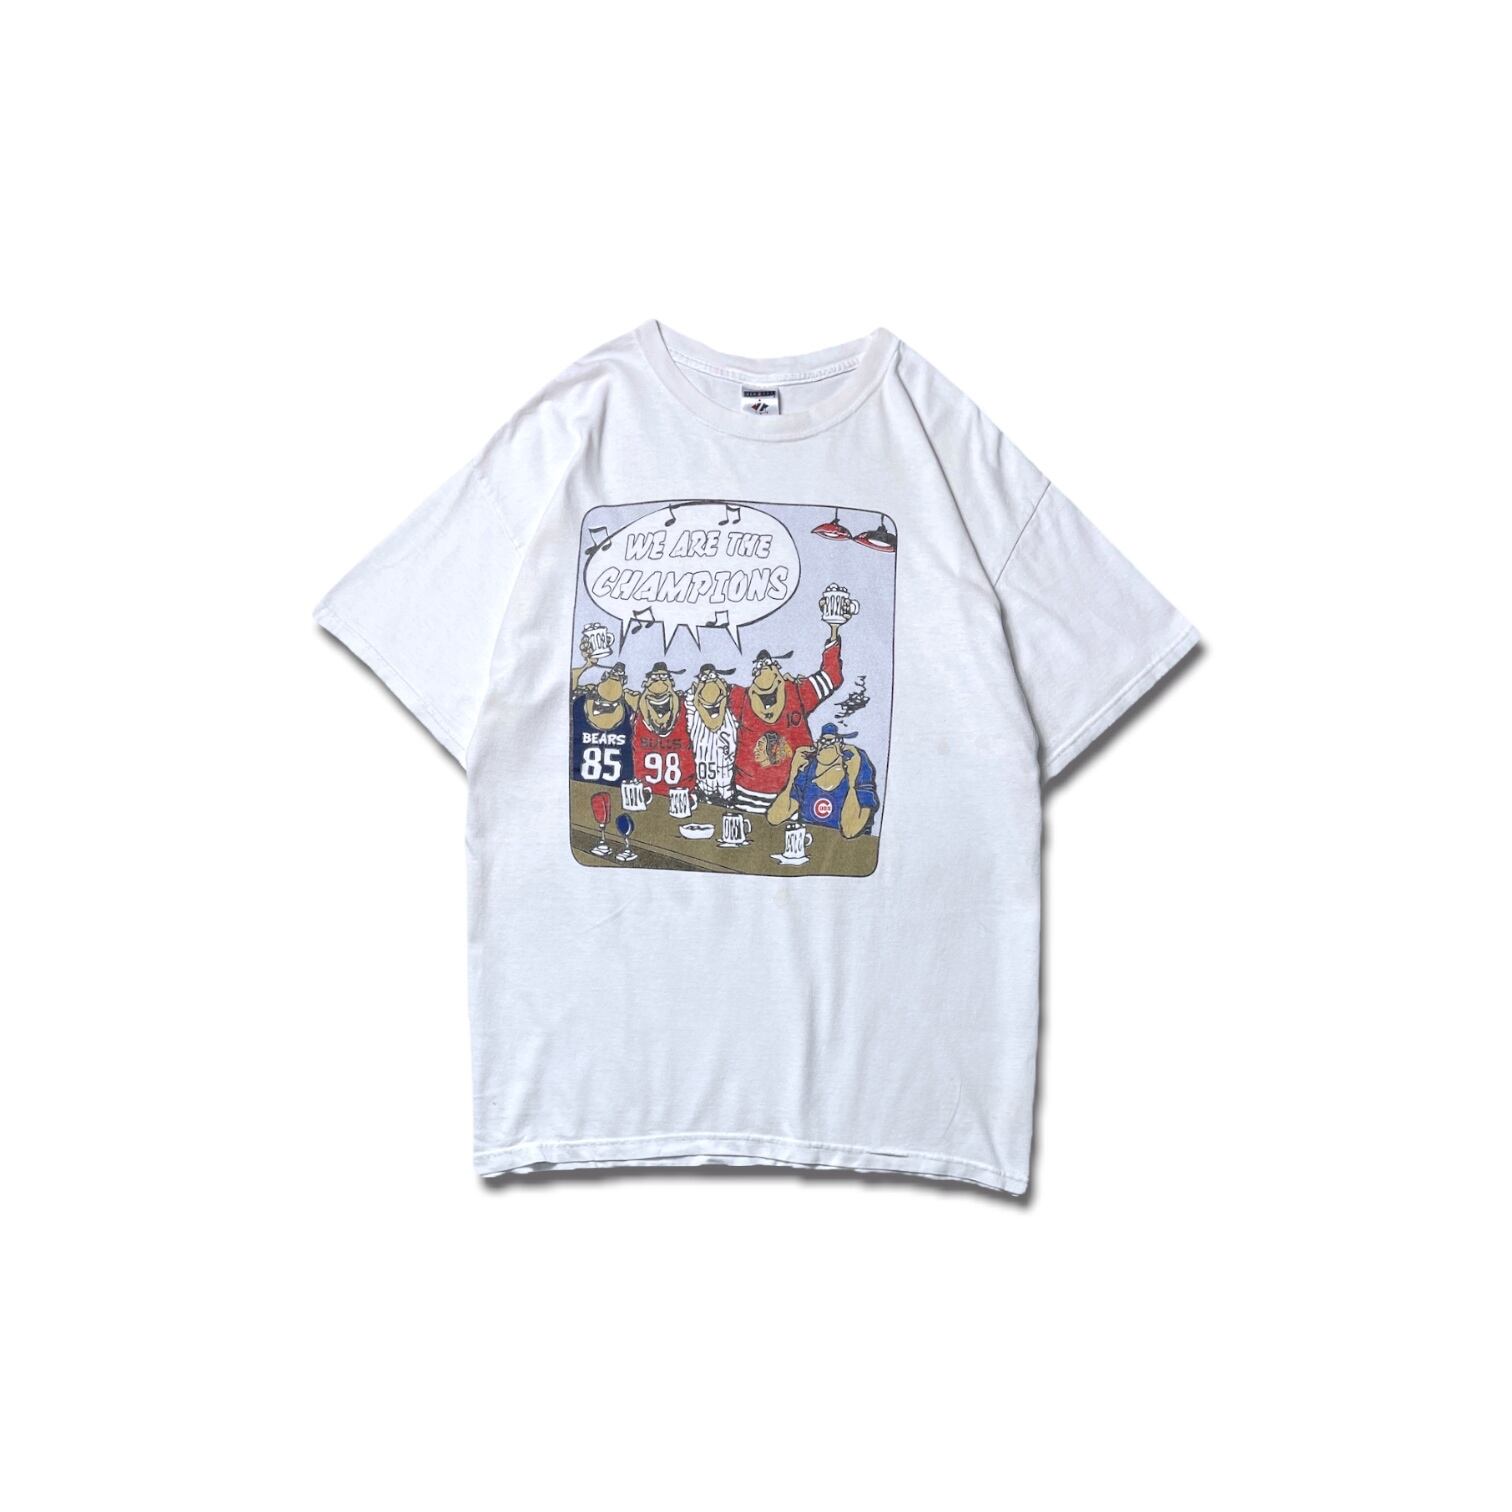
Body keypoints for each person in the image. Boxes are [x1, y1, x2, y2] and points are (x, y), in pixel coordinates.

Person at [728, 601, 850, 812]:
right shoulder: (741, 698)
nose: (764, 670)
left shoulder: (797, 692)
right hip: (748, 793)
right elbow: (711, 696)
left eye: (769, 665)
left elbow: (831, 676)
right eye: (760, 667)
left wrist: (834, 629)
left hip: (792, 795)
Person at [767, 723, 879, 838]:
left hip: (842, 846)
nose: (826, 746)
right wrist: (793, 774)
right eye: (823, 742)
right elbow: (774, 817)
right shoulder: (809, 768)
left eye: (832, 742)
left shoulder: (857, 765)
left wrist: (852, 782)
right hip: (809, 842)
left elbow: (850, 831)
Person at [569, 634, 634, 783]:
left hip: (618, 784)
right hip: (579, 782)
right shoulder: (583, 697)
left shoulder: (628, 703)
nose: (615, 676)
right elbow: (569, 685)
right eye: (613, 674)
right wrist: (586, 666)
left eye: (619, 676)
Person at [628, 661, 694, 796]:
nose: (659, 684)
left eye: (664, 678)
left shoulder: (686, 707)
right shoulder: (635, 704)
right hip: (645, 792)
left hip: (682, 792)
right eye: (655, 678)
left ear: (672, 683)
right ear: (645, 683)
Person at [684, 662, 738, 804]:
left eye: (712, 677)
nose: (709, 681)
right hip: (703, 785)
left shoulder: (730, 710)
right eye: (704, 678)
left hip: (728, 787)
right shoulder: (694, 713)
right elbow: (689, 703)